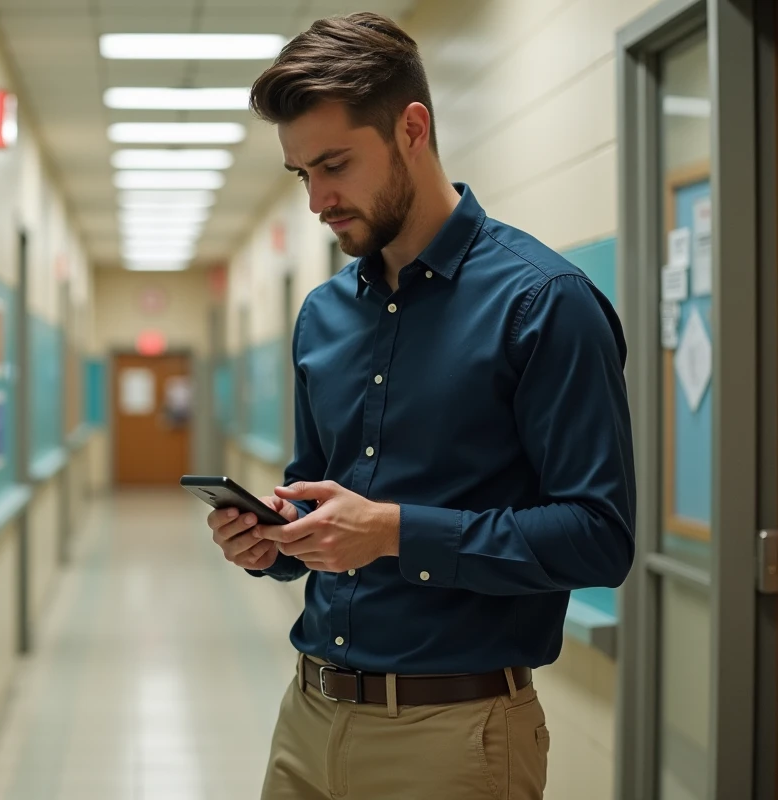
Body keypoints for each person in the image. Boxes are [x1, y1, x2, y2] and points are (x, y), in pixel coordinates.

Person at [204, 12, 636, 800]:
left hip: (457, 737)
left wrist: (395, 532)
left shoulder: (543, 304)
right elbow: (318, 502)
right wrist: (276, 542)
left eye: (334, 164)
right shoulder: (322, 317)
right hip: (307, 719)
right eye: (302, 174)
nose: (318, 201)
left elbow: (599, 537)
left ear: (412, 127)